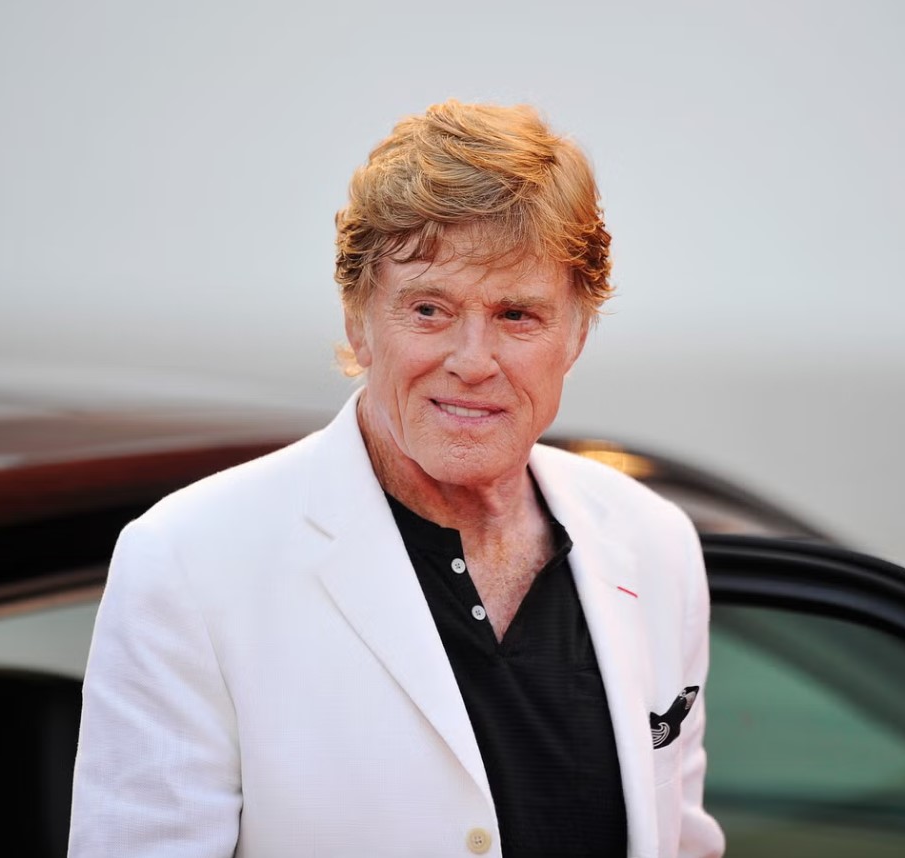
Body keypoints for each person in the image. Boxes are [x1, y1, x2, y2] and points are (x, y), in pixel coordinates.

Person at [69, 100, 725, 858]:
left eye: (517, 315)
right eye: (430, 309)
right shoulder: (188, 562)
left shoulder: (655, 543)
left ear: (576, 333)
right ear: (359, 321)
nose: (473, 360)